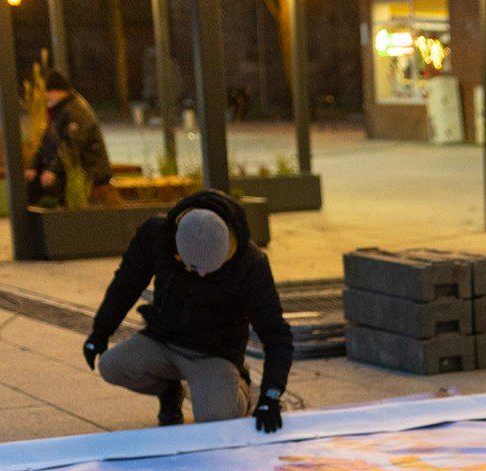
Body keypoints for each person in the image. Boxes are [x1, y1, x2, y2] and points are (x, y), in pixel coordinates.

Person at [84, 189, 292, 433]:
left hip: (214, 352)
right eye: (193, 267)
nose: (202, 274)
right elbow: (127, 284)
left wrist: (270, 395)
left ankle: (241, 387)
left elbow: (275, 333)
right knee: (111, 366)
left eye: (212, 267)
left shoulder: (251, 264)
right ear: (177, 249)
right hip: (163, 339)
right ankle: (169, 391)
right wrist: (100, 332)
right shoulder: (157, 235)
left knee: (216, 420)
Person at [27, 70, 112, 205]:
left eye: (47, 91)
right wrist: (34, 166)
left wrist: (52, 171)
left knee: (46, 186)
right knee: (30, 183)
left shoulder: (77, 111)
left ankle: (47, 222)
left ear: (56, 91)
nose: (45, 96)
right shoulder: (60, 111)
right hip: (68, 170)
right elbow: (46, 144)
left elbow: (71, 146)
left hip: (87, 172)